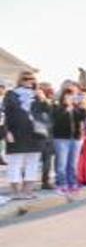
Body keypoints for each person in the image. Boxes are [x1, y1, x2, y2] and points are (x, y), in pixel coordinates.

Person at [2, 71, 52, 201]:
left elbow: (48, 112)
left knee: (33, 163)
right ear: (20, 80)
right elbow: (3, 114)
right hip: (16, 134)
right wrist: (5, 132)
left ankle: (27, 190)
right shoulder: (11, 94)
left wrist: (43, 99)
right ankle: (15, 192)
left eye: (32, 79)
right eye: (25, 78)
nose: (29, 81)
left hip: (35, 134)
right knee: (15, 163)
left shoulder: (38, 95)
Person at [51, 86, 86, 194]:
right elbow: (55, 119)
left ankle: (72, 183)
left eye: (73, 95)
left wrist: (83, 106)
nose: (71, 97)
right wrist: (65, 109)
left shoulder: (77, 107)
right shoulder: (57, 106)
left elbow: (83, 118)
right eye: (69, 94)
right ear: (63, 96)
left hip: (76, 138)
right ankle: (61, 184)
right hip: (61, 138)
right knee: (61, 163)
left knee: (73, 163)